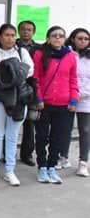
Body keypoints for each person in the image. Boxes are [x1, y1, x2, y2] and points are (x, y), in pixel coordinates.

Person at [0, 24, 34, 186]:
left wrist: (7, 73)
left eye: (13, 35)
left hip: (18, 100)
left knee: (12, 137)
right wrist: (14, 75)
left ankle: (10, 171)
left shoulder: (22, 52)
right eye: (6, 35)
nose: (10, 38)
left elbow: (28, 70)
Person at [33, 26, 79, 184]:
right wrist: (38, 98)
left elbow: (73, 79)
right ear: (48, 38)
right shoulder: (40, 54)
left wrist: (74, 99)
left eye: (61, 36)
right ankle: (42, 166)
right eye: (54, 35)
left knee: (57, 137)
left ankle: (52, 166)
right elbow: (36, 78)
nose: (58, 38)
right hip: (44, 104)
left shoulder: (70, 56)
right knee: (41, 136)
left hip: (63, 103)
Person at [16, 20, 42, 167]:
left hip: (33, 89)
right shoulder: (14, 45)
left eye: (29, 29)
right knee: (12, 120)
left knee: (30, 123)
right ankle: (8, 155)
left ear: (34, 32)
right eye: (23, 29)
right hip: (17, 88)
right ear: (19, 31)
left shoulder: (39, 48)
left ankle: (27, 154)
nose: (26, 32)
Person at [66, 28, 90, 176]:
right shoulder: (67, 54)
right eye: (80, 38)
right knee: (64, 129)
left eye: (86, 39)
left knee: (85, 130)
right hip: (68, 98)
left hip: (86, 99)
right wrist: (71, 94)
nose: (83, 41)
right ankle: (62, 158)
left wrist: (81, 94)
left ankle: (83, 163)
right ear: (73, 39)